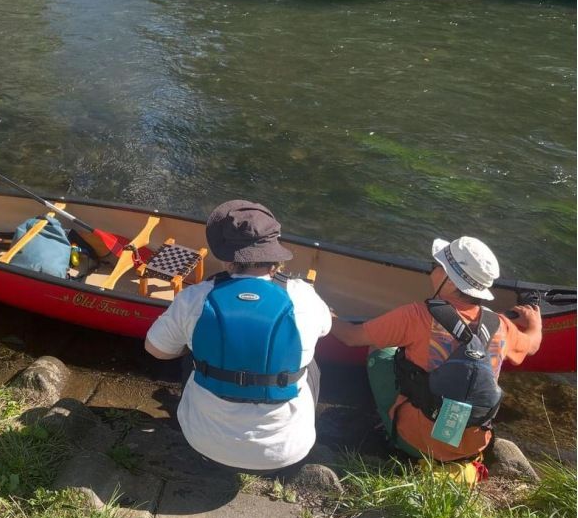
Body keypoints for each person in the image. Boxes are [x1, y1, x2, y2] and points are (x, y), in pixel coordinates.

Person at [144, 200, 331, 472]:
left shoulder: (195, 297)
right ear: (275, 256)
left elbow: (155, 349)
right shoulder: (303, 295)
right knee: (309, 363)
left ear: (225, 257)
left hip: (203, 441)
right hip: (286, 451)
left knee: (192, 354)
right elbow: (325, 329)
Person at [331, 236, 542, 462]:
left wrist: (326, 315)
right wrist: (535, 324)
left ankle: (394, 432)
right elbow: (532, 345)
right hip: (472, 450)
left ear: (450, 281)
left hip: (417, 444)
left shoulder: (416, 316)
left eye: (435, 266)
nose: (431, 270)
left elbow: (350, 337)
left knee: (380, 350)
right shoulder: (500, 324)